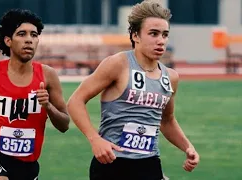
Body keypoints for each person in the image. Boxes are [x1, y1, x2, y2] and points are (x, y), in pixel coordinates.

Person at [67, 1, 200, 180]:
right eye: (153, 34)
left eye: (165, 34)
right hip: (112, 163)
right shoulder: (118, 64)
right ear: (135, 35)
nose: (161, 40)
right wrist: (95, 139)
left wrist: (187, 147)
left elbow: (167, 121)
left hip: (149, 162)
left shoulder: (171, 77)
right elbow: (75, 101)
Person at [0, 9, 70, 180]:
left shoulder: (48, 75)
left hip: (28, 165)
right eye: (22, 34)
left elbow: (64, 124)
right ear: (8, 40)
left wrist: (48, 106)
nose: (29, 40)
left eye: (34, 35)